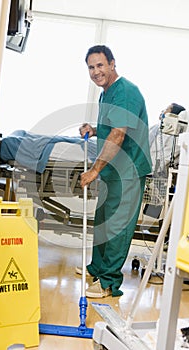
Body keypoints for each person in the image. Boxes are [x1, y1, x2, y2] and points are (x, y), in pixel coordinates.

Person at [76, 45, 152, 298]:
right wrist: (95, 129)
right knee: (103, 224)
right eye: (91, 67)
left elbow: (119, 134)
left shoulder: (126, 92)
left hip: (128, 171)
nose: (96, 71)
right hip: (113, 170)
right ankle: (97, 268)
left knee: (118, 227)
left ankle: (108, 282)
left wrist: (94, 169)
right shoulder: (106, 93)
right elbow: (112, 126)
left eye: (100, 65)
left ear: (112, 63)